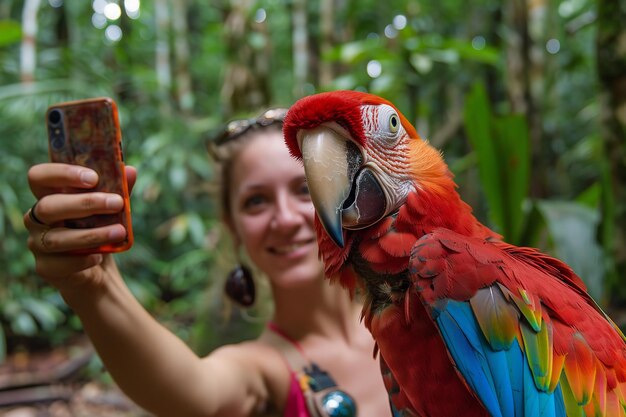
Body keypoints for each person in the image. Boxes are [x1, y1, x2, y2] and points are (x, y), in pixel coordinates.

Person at [23, 107, 392, 417]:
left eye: (303, 190)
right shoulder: (261, 368)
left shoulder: (412, 321)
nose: (284, 218)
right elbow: (194, 390)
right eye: (256, 202)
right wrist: (94, 283)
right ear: (234, 227)